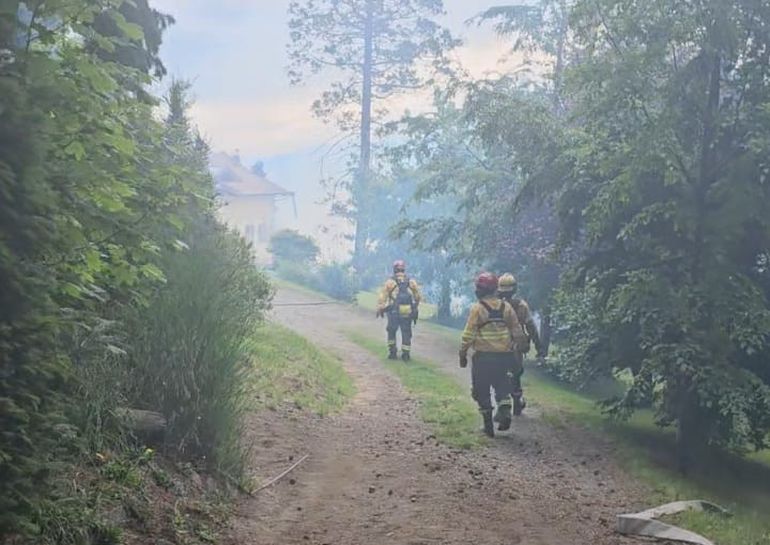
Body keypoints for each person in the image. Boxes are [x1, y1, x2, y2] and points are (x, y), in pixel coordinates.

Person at [459, 272, 528, 437]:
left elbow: (468, 334)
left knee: (481, 390)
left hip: (483, 357)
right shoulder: (507, 308)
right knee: (502, 385)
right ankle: (505, 408)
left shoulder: (477, 309)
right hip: (504, 357)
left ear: (480, 290)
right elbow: (517, 330)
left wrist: (463, 353)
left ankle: (488, 426)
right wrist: (522, 346)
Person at [497, 273, 544, 415]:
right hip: (516, 345)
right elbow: (531, 327)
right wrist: (539, 347)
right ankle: (517, 399)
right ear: (515, 289)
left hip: (497, 344)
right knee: (516, 373)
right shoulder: (522, 306)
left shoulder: (494, 305)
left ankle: (503, 402)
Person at [376, 260, 422, 361]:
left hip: (394, 312)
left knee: (391, 331)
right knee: (406, 332)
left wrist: (380, 308)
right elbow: (418, 297)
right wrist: (415, 307)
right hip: (407, 312)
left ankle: (393, 353)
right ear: (403, 269)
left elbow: (383, 297)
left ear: (394, 269)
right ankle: (406, 354)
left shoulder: (390, 282)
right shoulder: (411, 282)